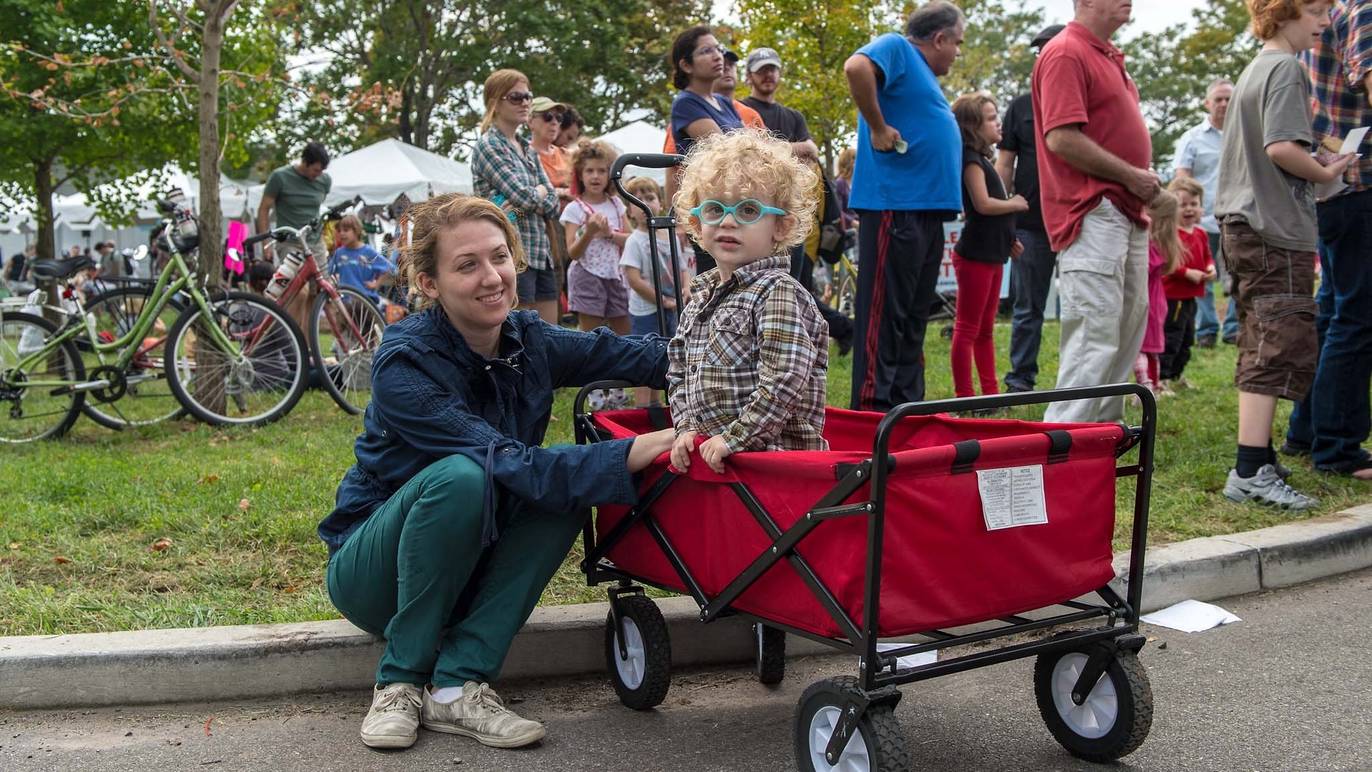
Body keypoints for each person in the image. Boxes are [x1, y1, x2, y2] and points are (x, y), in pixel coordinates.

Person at [320, 193, 676, 752]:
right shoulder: (405, 364)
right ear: (429, 284)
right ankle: (399, 680)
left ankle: (459, 684)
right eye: (468, 265)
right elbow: (504, 462)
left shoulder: (527, 338)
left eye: (500, 257)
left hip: (473, 563)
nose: (492, 278)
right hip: (377, 576)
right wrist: (632, 450)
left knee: (562, 493)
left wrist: (729, 355)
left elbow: (633, 354)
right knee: (464, 476)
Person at [1216, 0, 1351, 509]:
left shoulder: (1255, 68)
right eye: (1316, 11)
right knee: (1276, 345)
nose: (1324, 23)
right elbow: (1281, 149)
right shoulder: (1287, 69)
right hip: (1274, 228)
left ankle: (1257, 456)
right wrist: (1329, 170)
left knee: (1258, 340)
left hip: (1246, 224)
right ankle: (1250, 469)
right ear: (1285, 13)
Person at [667, 129, 828, 475]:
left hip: (775, 466)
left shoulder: (777, 292)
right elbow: (679, 370)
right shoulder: (700, 297)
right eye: (714, 209)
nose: (728, 220)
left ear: (781, 227)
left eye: (748, 209)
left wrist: (735, 438)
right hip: (717, 461)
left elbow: (785, 378)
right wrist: (685, 428)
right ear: (696, 221)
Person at [1033, 0, 1160, 424]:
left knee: (1123, 334)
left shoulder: (1104, 54)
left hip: (1124, 209)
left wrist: (1140, 180)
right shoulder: (1067, 50)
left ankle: (1099, 445)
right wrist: (1131, 175)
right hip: (1093, 211)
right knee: (1093, 337)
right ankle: (1059, 452)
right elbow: (1061, 139)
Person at [843, 1, 964, 411]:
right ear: (939, 38)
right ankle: (872, 409)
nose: (957, 53)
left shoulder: (924, 76)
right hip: (896, 204)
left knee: (914, 315)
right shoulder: (897, 47)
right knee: (885, 314)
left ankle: (906, 406)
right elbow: (856, 68)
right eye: (957, 44)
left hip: (926, 210)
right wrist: (877, 127)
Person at [1285, 0, 1372, 480]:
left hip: (1336, 183)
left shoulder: (1334, 12)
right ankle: (1339, 448)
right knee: (1356, 319)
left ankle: (1308, 431)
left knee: (1337, 312)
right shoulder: (1364, 11)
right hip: (1360, 182)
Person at [998, 23, 1063, 393]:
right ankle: (1020, 382)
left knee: (1087, 310)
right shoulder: (1020, 107)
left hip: (1080, 222)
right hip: (1031, 225)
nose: (1045, 57)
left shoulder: (1085, 98)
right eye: (1040, 52)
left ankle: (1080, 383)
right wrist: (1005, 214)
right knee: (1027, 309)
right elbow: (1005, 163)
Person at [950, 91, 1027, 399]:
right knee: (967, 328)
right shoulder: (971, 161)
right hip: (974, 257)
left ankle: (990, 395)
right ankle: (965, 397)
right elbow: (982, 205)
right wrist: (1015, 204)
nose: (999, 124)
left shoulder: (984, 160)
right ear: (973, 126)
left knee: (985, 330)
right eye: (992, 118)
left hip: (993, 255)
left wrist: (1009, 240)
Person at [471, 69, 562, 325]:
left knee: (550, 335)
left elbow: (552, 205)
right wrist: (539, 194)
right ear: (495, 103)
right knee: (518, 335)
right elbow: (526, 197)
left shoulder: (528, 149)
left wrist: (538, 196)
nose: (524, 103)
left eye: (527, 96)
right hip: (510, 253)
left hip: (539, 251)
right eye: (515, 97)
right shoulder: (488, 145)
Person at [668, 25, 745, 276]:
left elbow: (747, 147)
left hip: (737, 200)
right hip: (711, 208)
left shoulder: (723, 102)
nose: (717, 56)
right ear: (686, 65)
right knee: (719, 277)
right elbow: (727, 148)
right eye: (706, 51)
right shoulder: (686, 103)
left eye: (718, 49)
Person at [1175, 78, 1239, 348]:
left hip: (1238, 218)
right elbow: (1181, 178)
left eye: (1228, 98)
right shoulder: (1192, 138)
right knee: (1201, 276)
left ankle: (1234, 328)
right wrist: (1188, 211)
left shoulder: (1246, 132)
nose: (1224, 104)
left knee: (1239, 275)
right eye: (1219, 99)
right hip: (1202, 220)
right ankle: (1207, 330)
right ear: (1207, 103)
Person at [1160, 177, 1216, 389]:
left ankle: (1177, 374)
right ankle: (1162, 378)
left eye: (1194, 204)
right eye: (1182, 205)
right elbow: (1165, 262)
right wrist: (1185, 273)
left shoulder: (1200, 233)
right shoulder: (1170, 234)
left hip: (1190, 296)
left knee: (1187, 338)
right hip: (1173, 295)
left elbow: (1207, 256)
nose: (1189, 209)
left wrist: (1210, 267)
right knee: (1171, 337)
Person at [619, 176, 682, 337]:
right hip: (646, 311)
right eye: (638, 200)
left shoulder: (671, 236)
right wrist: (661, 300)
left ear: (660, 204)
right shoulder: (634, 241)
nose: (645, 204)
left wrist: (686, 288)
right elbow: (634, 280)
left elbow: (682, 268)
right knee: (648, 349)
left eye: (650, 198)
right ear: (630, 212)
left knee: (672, 345)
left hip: (673, 305)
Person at [1137, 191, 1184, 396]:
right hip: (1155, 302)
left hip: (1148, 303)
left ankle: (1147, 387)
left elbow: (1144, 267)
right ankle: (1150, 385)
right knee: (1148, 349)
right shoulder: (1164, 243)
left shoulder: (1151, 246)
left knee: (1141, 348)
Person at [328, 214, 391, 307]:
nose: (341, 233)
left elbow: (388, 268)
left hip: (366, 300)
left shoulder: (369, 252)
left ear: (357, 231)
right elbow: (329, 272)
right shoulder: (339, 253)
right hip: (345, 301)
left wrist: (376, 284)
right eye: (339, 231)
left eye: (346, 230)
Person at [529, 97, 572, 203]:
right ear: (530, 122)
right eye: (547, 117)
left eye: (558, 118)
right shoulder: (523, 156)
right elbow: (526, 196)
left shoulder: (566, 155)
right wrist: (563, 192)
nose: (554, 122)